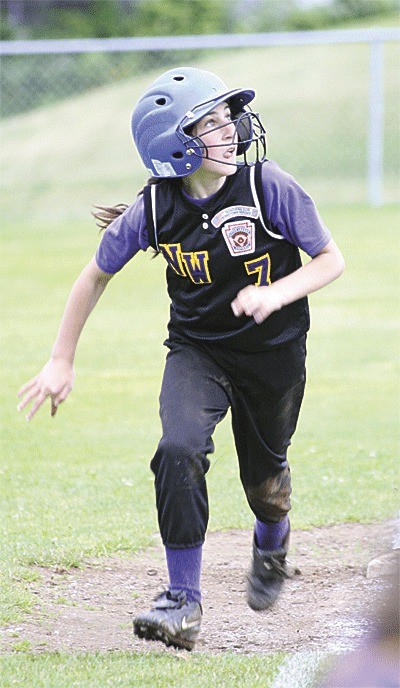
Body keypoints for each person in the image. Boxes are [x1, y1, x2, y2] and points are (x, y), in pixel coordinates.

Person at [17, 67, 345, 652]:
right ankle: (181, 600)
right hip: (198, 351)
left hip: (272, 356)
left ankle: (272, 547)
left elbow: (328, 259)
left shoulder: (269, 185)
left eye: (228, 118)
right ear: (177, 146)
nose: (231, 130)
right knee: (178, 450)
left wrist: (276, 293)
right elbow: (94, 275)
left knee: (265, 481)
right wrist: (59, 360)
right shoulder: (153, 208)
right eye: (212, 123)